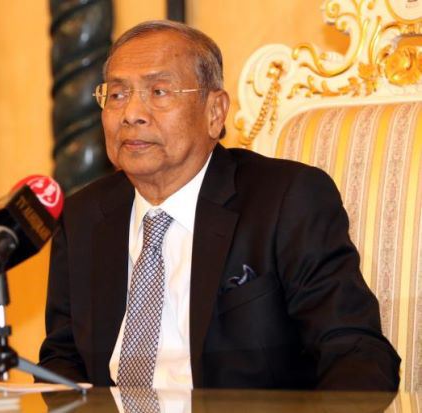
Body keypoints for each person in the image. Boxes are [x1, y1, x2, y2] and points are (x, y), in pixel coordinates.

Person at [38, 20, 400, 390]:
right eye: (117, 95)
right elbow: (63, 358)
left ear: (214, 111)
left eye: (159, 91)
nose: (131, 113)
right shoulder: (83, 216)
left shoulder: (286, 200)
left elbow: (354, 351)